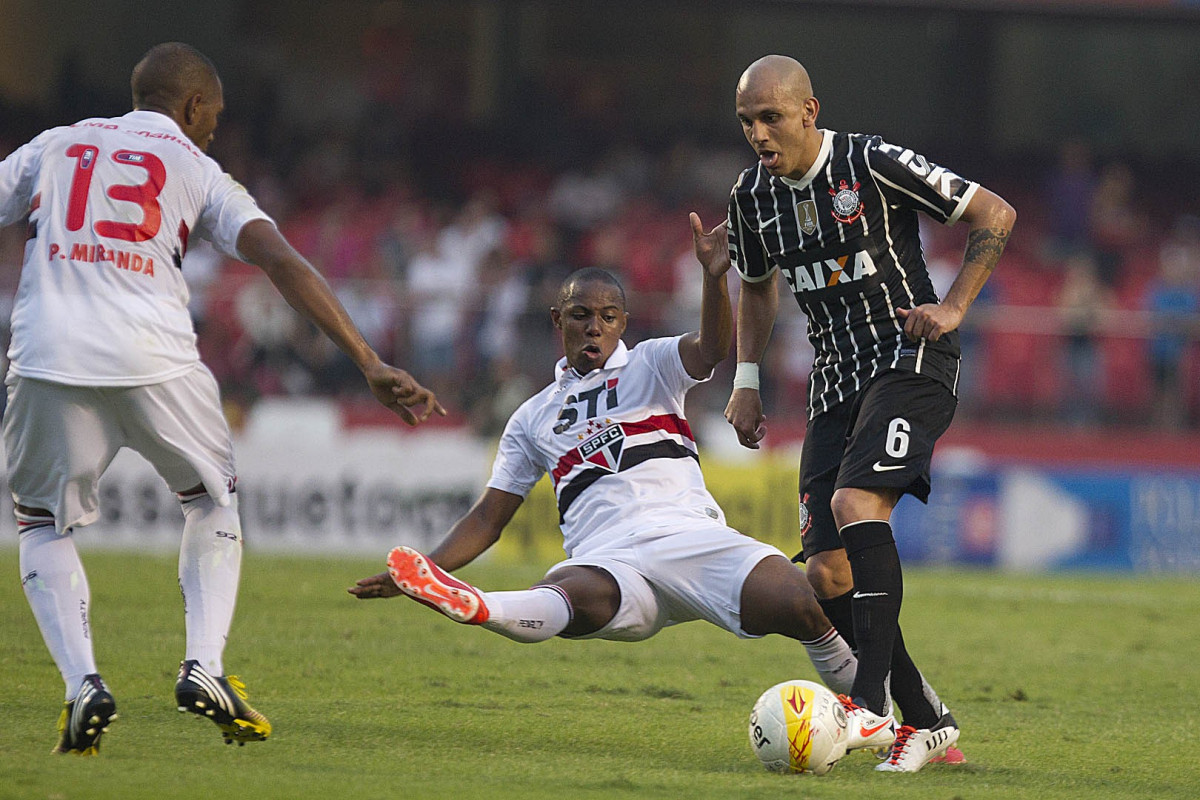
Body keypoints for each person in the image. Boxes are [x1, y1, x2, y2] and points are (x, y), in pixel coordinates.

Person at [0, 42, 444, 755]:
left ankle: (82, 682)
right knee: (211, 501)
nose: (215, 129)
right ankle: (203, 664)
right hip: (155, 356)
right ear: (194, 105)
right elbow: (280, 259)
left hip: (49, 354)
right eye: (216, 116)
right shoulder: (200, 170)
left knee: (42, 523)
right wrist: (366, 359)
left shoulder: (58, 145)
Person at [350, 215, 859, 713]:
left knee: (801, 603)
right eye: (580, 316)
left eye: (608, 317)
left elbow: (709, 349)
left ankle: (880, 713)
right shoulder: (532, 417)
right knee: (563, 593)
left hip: (687, 537)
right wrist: (427, 571)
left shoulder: (651, 363)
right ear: (557, 320)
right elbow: (488, 517)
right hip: (607, 559)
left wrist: (713, 276)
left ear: (623, 323)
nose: (595, 327)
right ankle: (475, 604)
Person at [722, 55, 1015, 772]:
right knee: (824, 574)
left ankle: (872, 709)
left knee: (857, 502)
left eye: (771, 117)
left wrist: (952, 306)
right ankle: (929, 721)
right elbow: (757, 287)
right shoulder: (751, 196)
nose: (759, 133)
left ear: (808, 111)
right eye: (747, 122)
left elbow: (994, 213)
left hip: (910, 360)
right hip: (836, 383)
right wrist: (748, 378)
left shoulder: (871, 162)